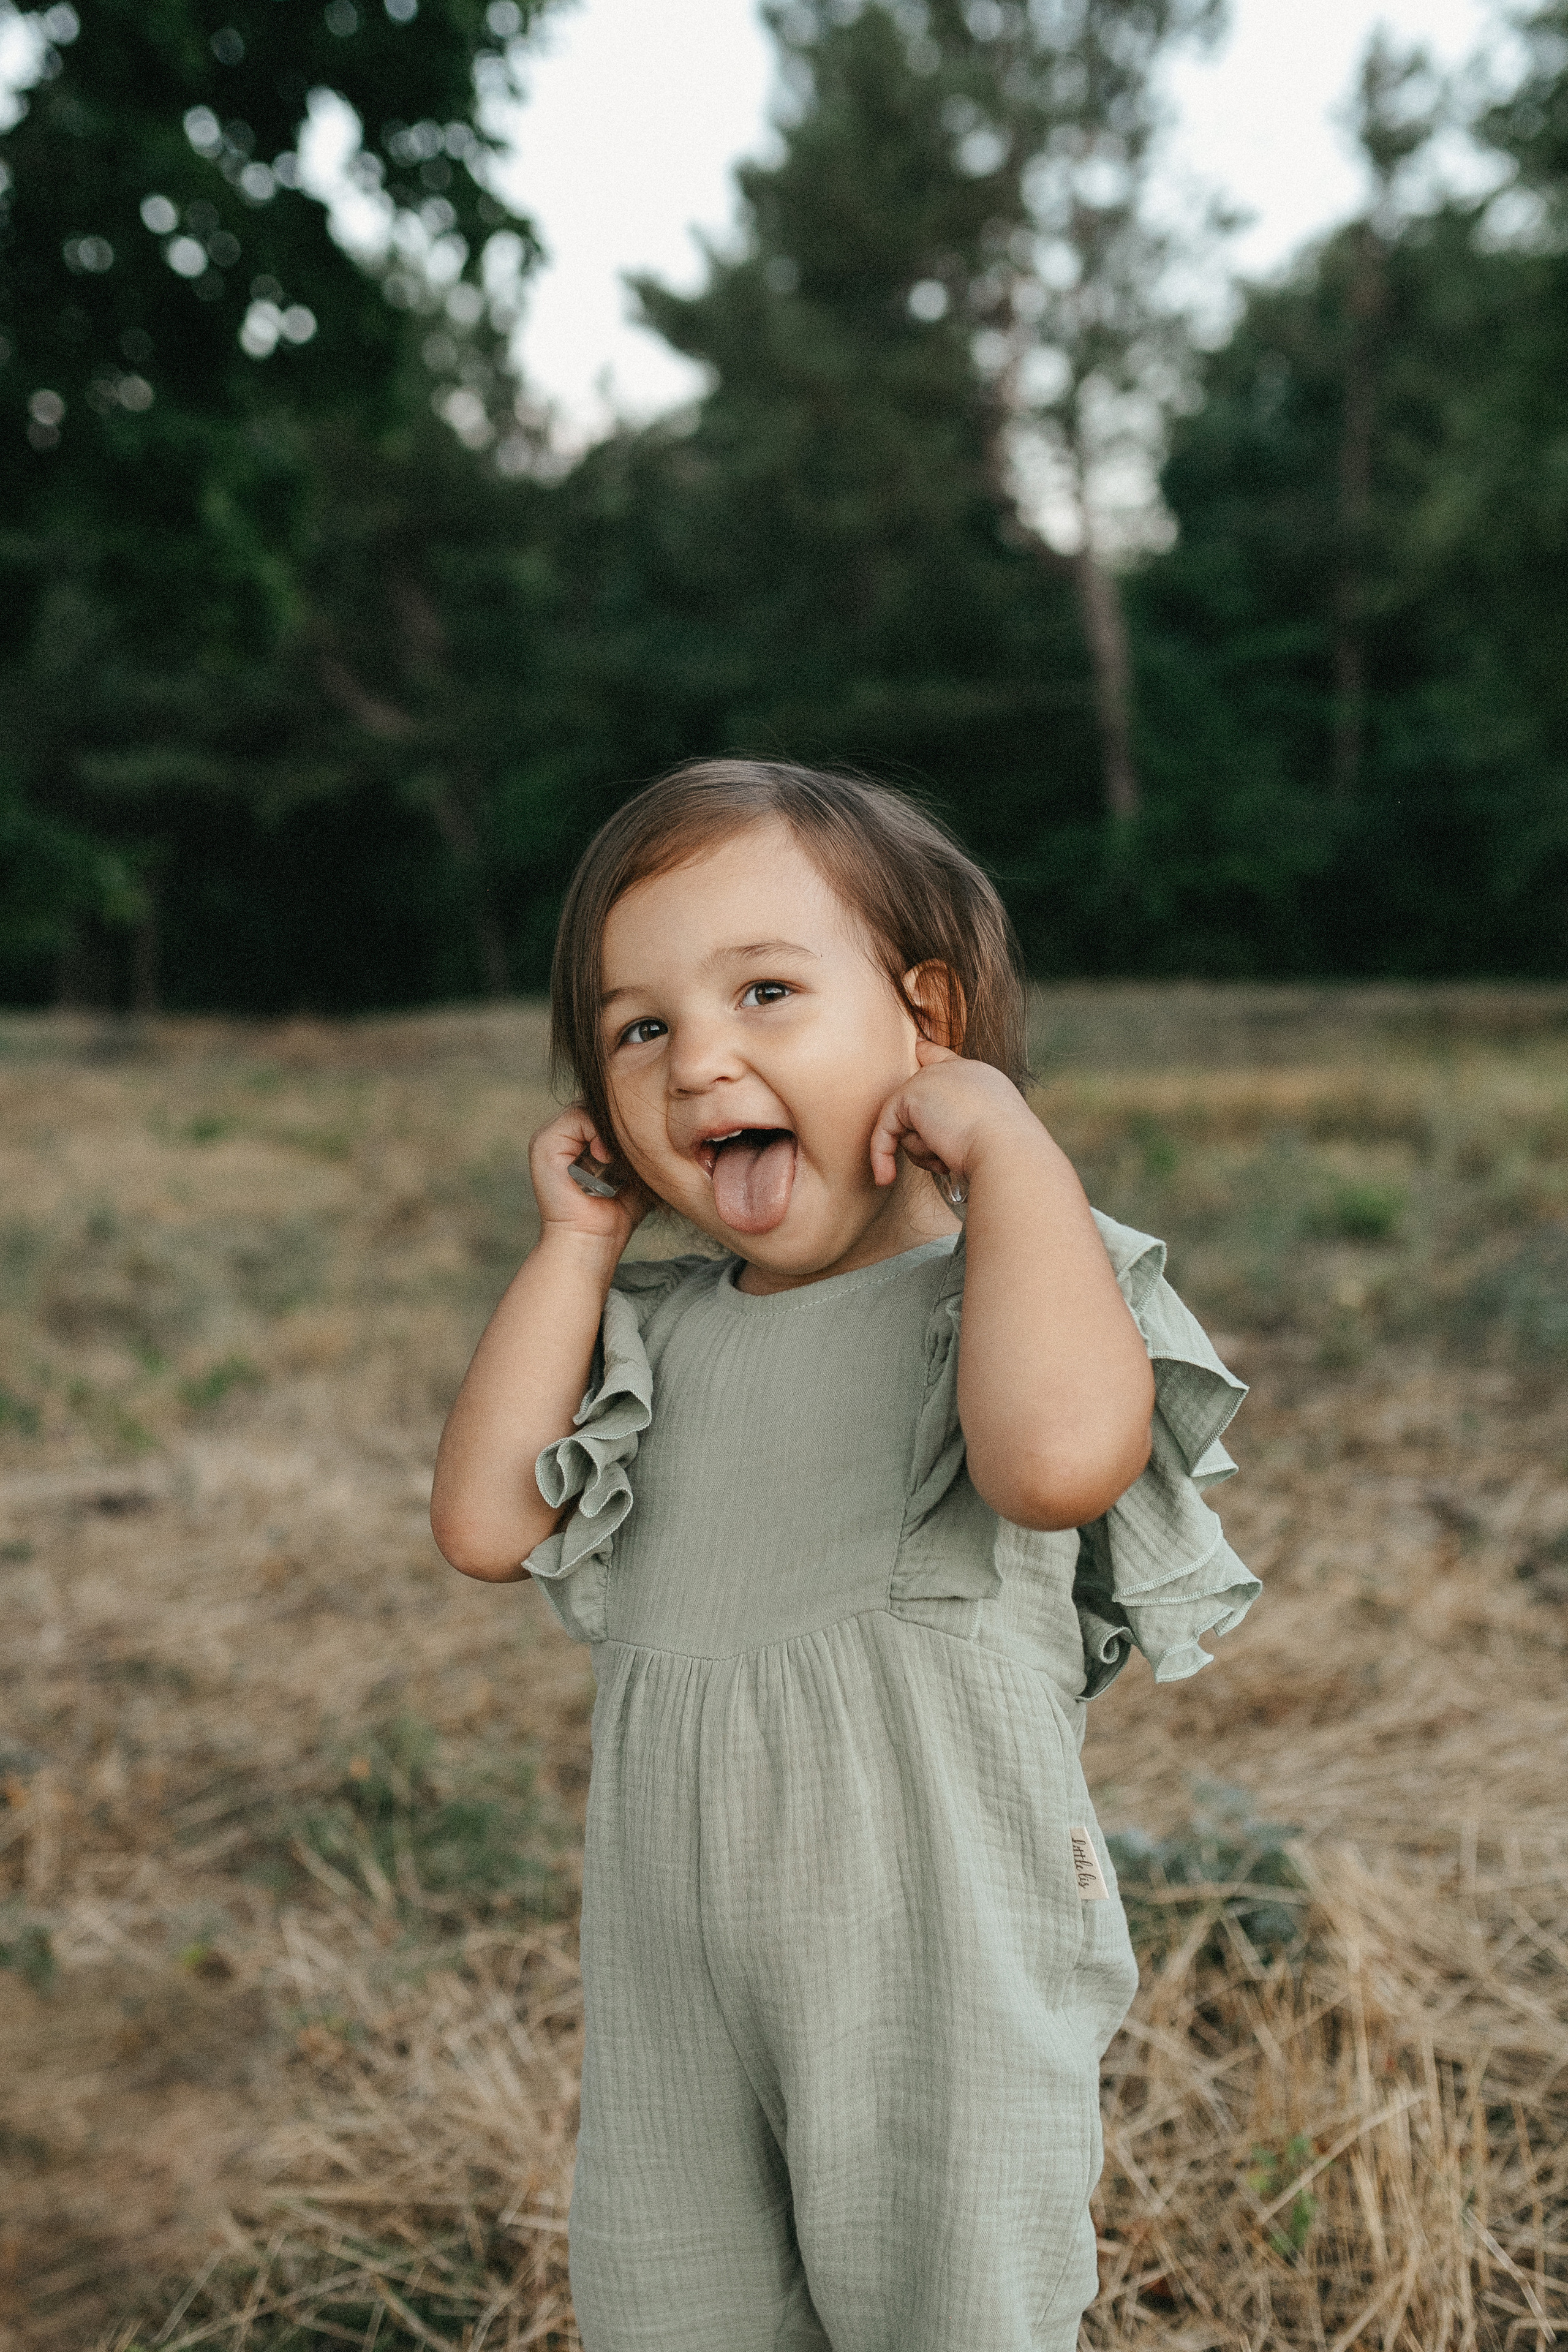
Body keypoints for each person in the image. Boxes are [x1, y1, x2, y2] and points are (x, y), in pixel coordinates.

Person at [431, 760, 1258, 2352]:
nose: (695, 1064)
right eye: (638, 1028)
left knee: (942, 2308)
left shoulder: (1006, 1296)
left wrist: (1010, 1160)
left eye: (763, 991)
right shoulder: (652, 1338)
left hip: (933, 1940)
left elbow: (1057, 1460)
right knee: (675, 2308)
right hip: (675, 1972)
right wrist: (575, 1248)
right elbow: (486, 1523)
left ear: (924, 1021)